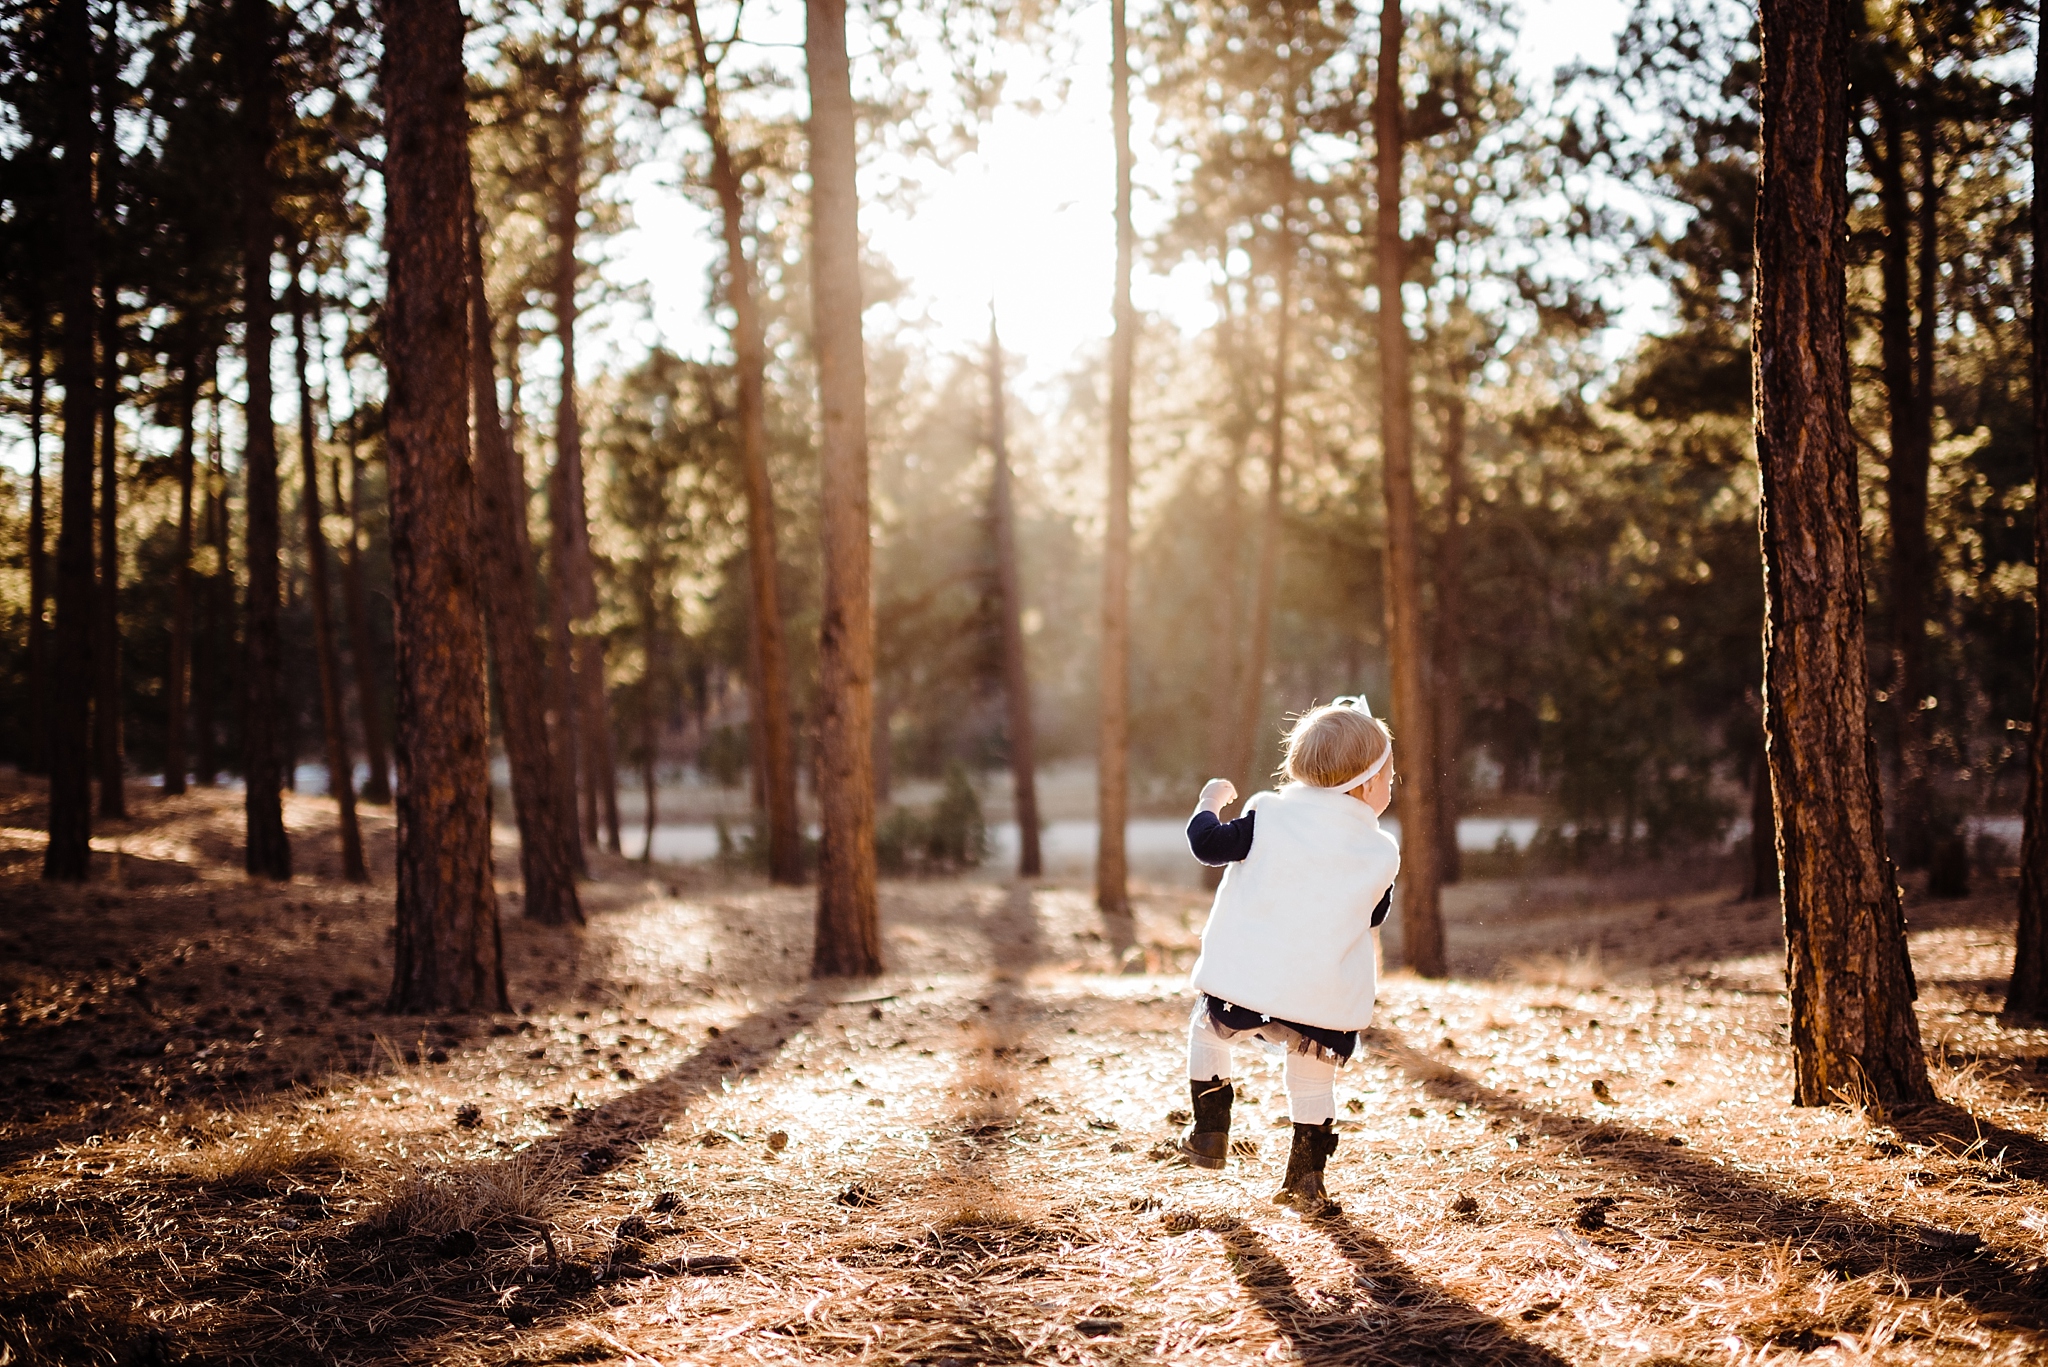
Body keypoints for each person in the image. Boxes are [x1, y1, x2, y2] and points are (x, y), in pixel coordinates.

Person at [1175, 697, 1400, 1213]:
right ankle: (1306, 1177)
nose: (1393, 785)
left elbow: (1208, 845)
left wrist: (1208, 801)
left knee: (1208, 1032)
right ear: (1364, 785)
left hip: (1246, 985)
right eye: (1390, 776)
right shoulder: (1379, 850)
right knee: (1311, 1074)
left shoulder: (1267, 816)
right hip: (1322, 999)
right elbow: (1372, 916)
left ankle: (1209, 1132)